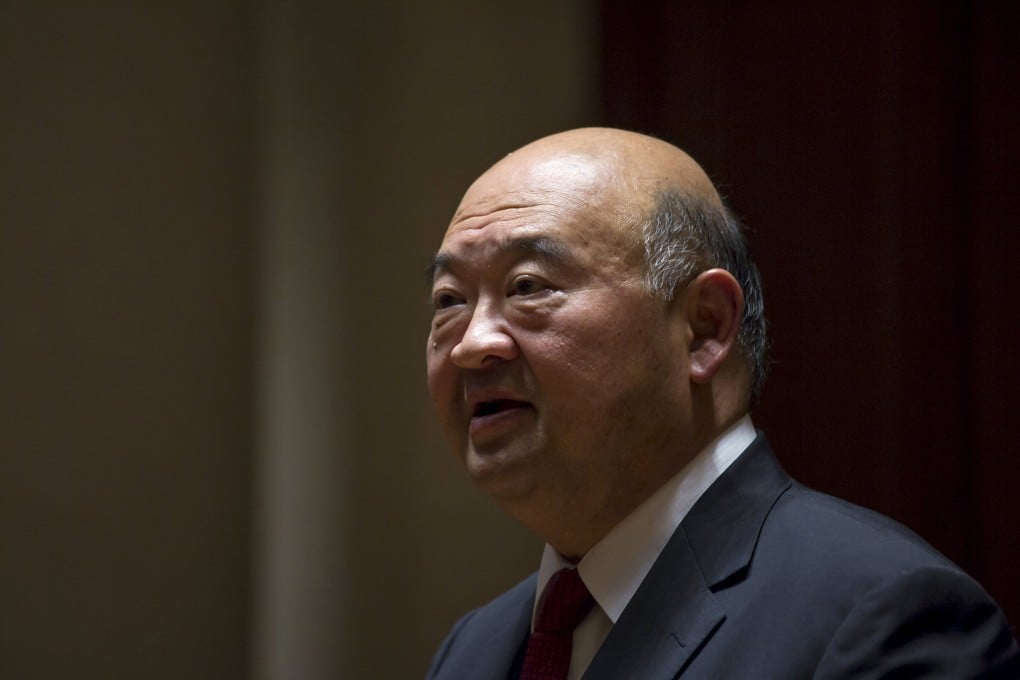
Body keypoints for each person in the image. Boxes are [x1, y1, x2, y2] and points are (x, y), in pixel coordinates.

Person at [423, 128, 1019, 679]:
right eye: (449, 300)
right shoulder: (472, 651)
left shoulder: (884, 617)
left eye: (528, 287)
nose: (472, 346)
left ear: (704, 328)